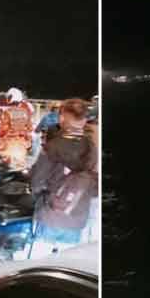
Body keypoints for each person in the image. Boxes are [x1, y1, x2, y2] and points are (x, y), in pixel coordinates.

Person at [29, 97, 98, 256]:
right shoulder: (91, 147)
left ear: (61, 118)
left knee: (41, 262)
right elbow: (94, 186)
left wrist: (38, 197)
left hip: (51, 215)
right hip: (77, 217)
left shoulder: (52, 146)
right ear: (84, 120)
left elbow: (37, 182)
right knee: (66, 263)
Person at [0, 87, 33, 170]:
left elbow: (3, 130)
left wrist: (0, 142)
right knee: (19, 168)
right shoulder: (26, 112)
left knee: (5, 168)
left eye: (9, 97)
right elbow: (30, 129)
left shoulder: (7, 112)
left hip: (9, 146)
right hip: (21, 146)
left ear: (12, 97)